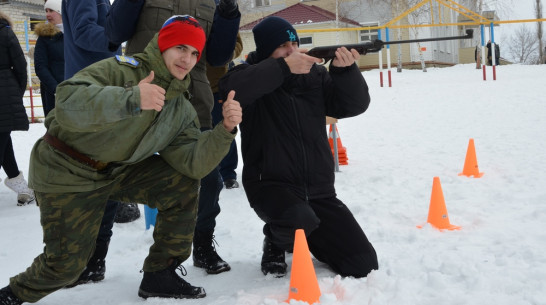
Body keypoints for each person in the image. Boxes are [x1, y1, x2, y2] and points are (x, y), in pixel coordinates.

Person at [0, 15, 242, 305]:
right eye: (180, 47)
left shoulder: (180, 107)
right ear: (163, 45)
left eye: (194, 53)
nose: (187, 59)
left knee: (181, 182)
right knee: (64, 268)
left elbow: (193, 163)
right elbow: (66, 103)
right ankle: (11, 296)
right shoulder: (120, 70)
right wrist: (130, 99)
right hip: (66, 171)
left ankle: (160, 273)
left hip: (115, 172)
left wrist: (225, 131)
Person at [219, 16, 379, 278]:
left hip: (319, 190)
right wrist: (283, 68)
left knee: (363, 264)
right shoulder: (246, 74)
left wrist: (344, 71)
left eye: (294, 43)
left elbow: (351, 106)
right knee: (297, 219)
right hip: (271, 186)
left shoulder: (314, 75)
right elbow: (232, 89)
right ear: (265, 51)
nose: (292, 50)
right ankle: (276, 240)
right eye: (283, 46)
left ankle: (301, 236)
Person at [101, 0, 241, 276]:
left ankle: (202, 246)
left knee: (207, 179)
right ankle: (93, 255)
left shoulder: (213, 3)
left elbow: (218, 56)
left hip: (192, 102)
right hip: (139, 97)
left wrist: (228, 12)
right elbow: (114, 32)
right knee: (108, 173)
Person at [60, 0, 144, 287]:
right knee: (91, 182)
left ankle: (92, 261)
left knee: (102, 178)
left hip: (99, 93)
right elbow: (85, 31)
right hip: (91, 97)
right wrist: (114, 37)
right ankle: (85, 261)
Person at [0, 11, 35, 206]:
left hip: (3, 96)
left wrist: (13, 94)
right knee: (4, 143)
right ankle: (23, 189)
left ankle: (23, 189)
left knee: (2, 139)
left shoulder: (5, 33)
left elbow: (21, 66)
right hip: (6, 95)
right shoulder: (6, 33)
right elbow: (20, 68)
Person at [208, 35, 242, 190]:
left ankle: (228, 174)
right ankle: (204, 173)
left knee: (225, 129)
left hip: (217, 88)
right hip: (190, 86)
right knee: (196, 132)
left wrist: (224, 54)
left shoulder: (223, 13)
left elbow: (237, 44)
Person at [34, 0, 64, 117]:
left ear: (60, 12)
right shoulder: (44, 38)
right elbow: (40, 67)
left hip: (75, 90)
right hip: (53, 94)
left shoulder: (74, 34)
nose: (47, 14)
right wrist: (56, 89)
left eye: (51, 11)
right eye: (46, 11)